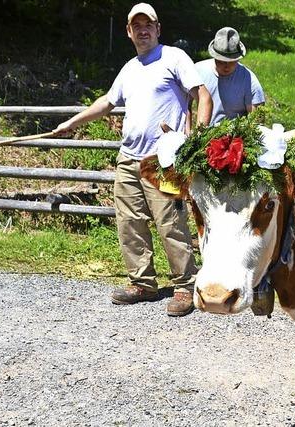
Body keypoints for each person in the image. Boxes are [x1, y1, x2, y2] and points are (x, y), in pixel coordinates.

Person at [54, 3, 213, 317]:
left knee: (171, 224)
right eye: (136, 26)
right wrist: (73, 122)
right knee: (129, 223)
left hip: (163, 160)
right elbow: (107, 102)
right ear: (128, 32)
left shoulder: (174, 58)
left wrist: (197, 139)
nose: (142, 31)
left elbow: (203, 96)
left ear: (157, 28)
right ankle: (142, 283)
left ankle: (185, 286)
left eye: (148, 25)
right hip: (128, 159)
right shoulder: (129, 68)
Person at [193, 27, 265, 125]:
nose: (226, 66)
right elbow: (184, 103)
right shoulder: (198, 71)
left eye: (231, 62)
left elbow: (256, 123)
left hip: (235, 136)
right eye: (221, 61)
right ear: (214, 56)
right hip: (204, 132)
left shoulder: (250, 81)